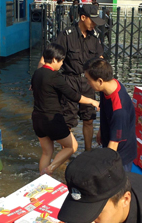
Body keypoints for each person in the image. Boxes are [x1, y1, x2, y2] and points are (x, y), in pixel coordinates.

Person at [39, 4, 105, 151]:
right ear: (83, 17)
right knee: (67, 121)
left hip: (88, 82)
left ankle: (88, 152)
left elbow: (100, 59)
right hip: (69, 82)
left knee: (89, 119)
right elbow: (48, 57)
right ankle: (66, 153)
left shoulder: (94, 36)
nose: (94, 24)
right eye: (92, 20)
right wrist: (39, 77)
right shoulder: (67, 35)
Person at [31, 44, 100, 175]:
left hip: (37, 119)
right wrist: (92, 101)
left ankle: (42, 180)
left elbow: (33, 88)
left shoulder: (37, 73)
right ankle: (50, 169)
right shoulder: (55, 77)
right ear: (54, 59)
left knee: (47, 152)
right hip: (52, 119)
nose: (62, 64)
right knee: (72, 146)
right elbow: (74, 96)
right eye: (61, 61)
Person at [83, 58, 137, 172]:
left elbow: (113, 147)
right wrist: (101, 130)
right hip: (110, 137)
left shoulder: (119, 110)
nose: (87, 83)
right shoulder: (109, 86)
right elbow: (104, 110)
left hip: (121, 155)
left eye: (88, 80)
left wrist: (102, 169)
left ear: (100, 81)